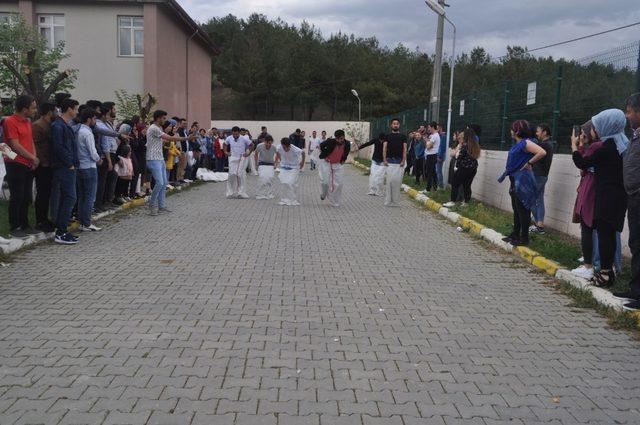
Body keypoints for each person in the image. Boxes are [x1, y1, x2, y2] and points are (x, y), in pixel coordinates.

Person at [571, 109, 628, 288]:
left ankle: (605, 273)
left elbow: (582, 163)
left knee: (605, 236)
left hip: (606, 197)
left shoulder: (607, 147)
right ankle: (609, 271)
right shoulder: (623, 144)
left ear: (606, 126)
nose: (593, 130)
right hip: (619, 197)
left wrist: (574, 146)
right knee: (610, 235)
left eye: (595, 126)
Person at [498, 120, 547, 247]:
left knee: (523, 210)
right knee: (516, 208)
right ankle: (515, 234)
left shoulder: (526, 143)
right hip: (515, 178)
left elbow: (542, 152)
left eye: (512, 129)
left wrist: (529, 163)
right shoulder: (518, 143)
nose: (510, 131)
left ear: (517, 131)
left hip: (522, 180)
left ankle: (524, 238)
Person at [2, 95, 40, 238]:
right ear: (24, 109)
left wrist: (34, 156)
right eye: (33, 107)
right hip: (15, 163)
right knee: (17, 195)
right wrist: (31, 157)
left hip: (28, 162)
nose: (35, 110)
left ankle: (25, 224)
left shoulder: (28, 121)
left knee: (26, 196)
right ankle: (15, 225)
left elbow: (30, 141)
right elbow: (14, 145)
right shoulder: (10, 121)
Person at [146, 110, 194, 216]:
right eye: (163, 118)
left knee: (163, 184)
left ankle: (162, 206)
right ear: (158, 118)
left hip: (160, 159)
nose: (164, 120)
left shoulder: (158, 128)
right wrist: (186, 138)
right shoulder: (154, 128)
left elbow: (163, 140)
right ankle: (152, 204)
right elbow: (170, 138)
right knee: (159, 182)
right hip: (153, 159)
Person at [50, 98, 80, 245]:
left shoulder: (64, 125)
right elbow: (59, 147)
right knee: (70, 197)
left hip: (68, 167)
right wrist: (69, 164)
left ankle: (63, 230)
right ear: (69, 109)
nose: (77, 112)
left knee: (68, 198)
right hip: (64, 168)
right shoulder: (58, 125)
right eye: (76, 109)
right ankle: (60, 232)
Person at [620, 93, 640, 310]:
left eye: (630, 112)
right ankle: (635, 289)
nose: (628, 116)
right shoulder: (635, 136)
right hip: (633, 195)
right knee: (635, 243)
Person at [75, 107, 102, 232]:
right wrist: (98, 159)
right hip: (89, 167)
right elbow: (93, 151)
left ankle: (81, 221)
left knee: (82, 196)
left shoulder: (77, 130)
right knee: (90, 196)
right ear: (89, 119)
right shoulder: (88, 133)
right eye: (94, 118)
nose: (95, 121)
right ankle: (86, 222)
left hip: (79, 166)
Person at [32, 102, 56, 233]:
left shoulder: (49, 125)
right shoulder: (38, 125)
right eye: (55, 111)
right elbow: (35, 146)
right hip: (42, 165)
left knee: (47, 194)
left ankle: (45, 219)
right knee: (42, 194)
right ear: (49, 112)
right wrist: (41, 162)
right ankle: (40, 221)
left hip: (49, 164)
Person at [444, 128, 481, 207]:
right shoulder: (475, 145)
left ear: (466, 136)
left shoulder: (465, 146)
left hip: (463, 168)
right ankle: (466, 202)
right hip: (473, 168)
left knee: (455, 183)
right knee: (467, 185)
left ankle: (453, 201)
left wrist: (457, 163)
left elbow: (459, 157)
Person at [529, 123, 554, 234]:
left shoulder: (545, 145)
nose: (536, 133)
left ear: (544, 132)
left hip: (538, 175)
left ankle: (539, 224)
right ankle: (539, 225)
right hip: (541, 175)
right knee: (539, 199)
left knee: (531, 199)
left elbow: (530, 148)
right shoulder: (548, 144)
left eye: (538, 131)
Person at [318, 129, 351, 207]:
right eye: (337, 139)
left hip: (338, 164)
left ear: (344, 137)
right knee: (325, 182)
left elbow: (346, 152)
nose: (339, 141)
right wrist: (325, 155)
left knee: (339, 183)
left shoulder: (347, 143)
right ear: (335, 138)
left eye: (341, 139)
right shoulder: (330, 141)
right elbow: (321, 145)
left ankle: (335, 201)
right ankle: (324, 193)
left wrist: (343, 160)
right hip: (327, 163)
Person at [97, 102, 121, 208]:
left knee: (111, 177)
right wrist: (109, 160)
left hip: (112, 153)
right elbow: (105, 142)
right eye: (113, 109)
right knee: (103, 180)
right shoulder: (100, 124)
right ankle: (100, 202)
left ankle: (107, 200)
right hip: (107, 155)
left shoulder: (107, 123)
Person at [383, 119, 407, 207]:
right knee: (389, 182)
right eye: (394, 124)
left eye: (397, 124)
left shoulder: (403, 136)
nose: (395, 125)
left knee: (397, 182)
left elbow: (404, 149)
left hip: (399, 161)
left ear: (399, 125)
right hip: (389, 161)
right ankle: (388, 201)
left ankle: (395, 201)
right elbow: (384, 148)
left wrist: (403, 160)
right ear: (391, 125)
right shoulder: (387, 136)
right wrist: (384, 159)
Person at [225, 126, 253, 199]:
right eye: (234, 134)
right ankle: (230, 192)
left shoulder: (244, 138)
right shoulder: (229, 138)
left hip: (241, 157)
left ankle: (241, 192)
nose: (235, 136)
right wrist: (226, 152)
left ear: (239, 133)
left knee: (239, 174)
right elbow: (225, 144)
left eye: (236, 134)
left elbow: (251, 145)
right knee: (231, 174)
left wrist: (248, 153)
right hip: (232, 157)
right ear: (232, 133)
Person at [276, 137, 305, 206]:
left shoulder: (295, 149)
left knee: (291, 183)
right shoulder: (279, 147)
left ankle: (292, 199)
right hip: (284, 167)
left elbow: (303, 153)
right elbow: (277, 152)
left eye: (286, 148)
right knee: (283, 182)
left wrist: (302, 162)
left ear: (289, 145)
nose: (285, 149)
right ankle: (284, 199)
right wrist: (280, 160)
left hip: (294, 167)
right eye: (284, 147)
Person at [254, 135, 277, 200]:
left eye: (270, 143)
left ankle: (269, 193)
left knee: (270, 178)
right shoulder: (259, 146)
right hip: (262, 163)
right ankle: (259, 194)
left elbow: (278, 154)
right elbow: (256, 154)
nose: (268, 145)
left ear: (272, 142)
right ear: (264, 141)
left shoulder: (274, 147)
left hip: (270, 164)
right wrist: (256, 164)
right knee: (262, 178)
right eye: (267, 143)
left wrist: (275, 163)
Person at [423, 122, 440, 192]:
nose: (428, 129)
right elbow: (429, 145)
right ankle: (435, 187)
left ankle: (428, 189)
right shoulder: (433, 135)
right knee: (433, 172)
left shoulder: (435, 136)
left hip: (431, 156)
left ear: (432, 127)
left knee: (429, 173)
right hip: (431, 155)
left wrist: (427, 141)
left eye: (429, 127)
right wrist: (428, 141)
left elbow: (428, 146)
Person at [436, 124, 447, 189]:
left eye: (437, 128)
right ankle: (437, 184)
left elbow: (442, 148)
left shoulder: (443, 136)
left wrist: (439, 157)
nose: (436, 130)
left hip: (440, 156)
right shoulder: (438, 136)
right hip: (436, 155)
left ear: (440, 128)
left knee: (438, 171)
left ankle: (440, 185)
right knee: (437, 170)